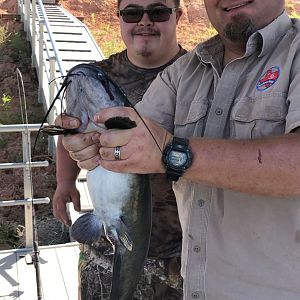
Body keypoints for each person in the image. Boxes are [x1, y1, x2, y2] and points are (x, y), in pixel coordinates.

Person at [58, 0, 300, 299]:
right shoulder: (184, 72)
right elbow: (128, 137)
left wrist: (175, 152)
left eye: (158, 12)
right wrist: (90, 142)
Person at [53, 0, 186, 299]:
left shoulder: (200, 77)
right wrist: (64, 182)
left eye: (159, 12)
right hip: (106, 247)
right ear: (120, 19)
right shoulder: (96, 76)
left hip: (183, 252)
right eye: (132, 12)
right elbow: (67, 129)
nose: (145, 21)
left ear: (177, 16)